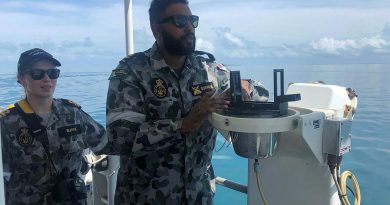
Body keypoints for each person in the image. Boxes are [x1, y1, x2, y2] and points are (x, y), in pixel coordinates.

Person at [105, 0, 269, 204]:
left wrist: (245, 87)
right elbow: (119, 138)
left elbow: (262, 93)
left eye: (192, 20)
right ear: (156, 30)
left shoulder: (208, 69)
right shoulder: (131, 71)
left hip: (199, 196)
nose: (189, 27)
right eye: (179, 21)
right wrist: (183, 124)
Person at [0, 48, 107, 205]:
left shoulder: (73, 113)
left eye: (52, 73)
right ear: (21, 78)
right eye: (37, 73)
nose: (47, 79)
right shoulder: (7, 123)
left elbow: (106, 143)